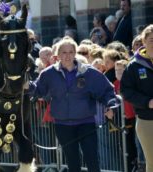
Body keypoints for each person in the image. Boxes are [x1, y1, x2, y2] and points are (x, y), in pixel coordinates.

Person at [26, 38, 117, 172]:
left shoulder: (88, 72)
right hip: (63, 125)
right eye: (64, 52)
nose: (67, 56)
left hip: (86, 124)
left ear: (75, 53)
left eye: (70, 52)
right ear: (57, 55)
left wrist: (111, 105)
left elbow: (107, 90)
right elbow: (38, 90)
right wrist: (27, 86)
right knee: (72, 162)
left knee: (92, 160)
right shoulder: (48, 74)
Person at [120, 24, 153, 172]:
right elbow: (126, 91)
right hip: (147, 120)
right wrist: (147, 102)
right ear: (144, 42)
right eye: (152, 40)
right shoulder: (133, 65)